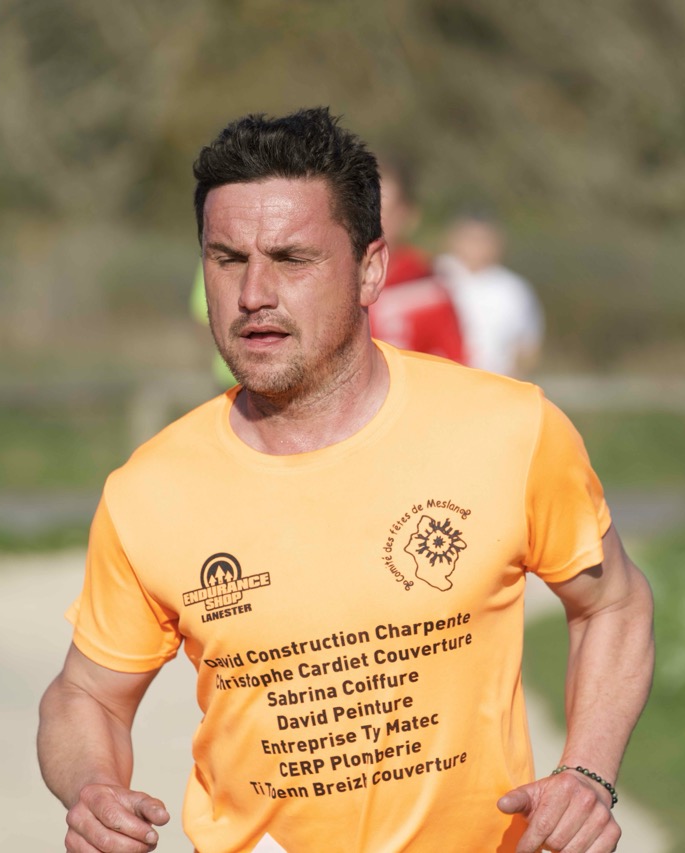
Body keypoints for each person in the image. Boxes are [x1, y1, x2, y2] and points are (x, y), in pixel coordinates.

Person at [38, 108, 654, 853]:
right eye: (227, 259)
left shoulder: (510, 429)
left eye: (292, 258)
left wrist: (586, 774)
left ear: (370, 269)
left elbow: (613, 603)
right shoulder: (149, 490)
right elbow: (87, 695)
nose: (253, 292)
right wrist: (92, 789)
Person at [366, 156, 467, 364]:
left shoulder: (427, 290)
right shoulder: (327, 280)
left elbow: (455, 366)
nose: (368, 219)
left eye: (381, 210)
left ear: (408, 216)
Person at [436, 211, 545, 379]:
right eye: (471, 239)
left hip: (493, 385)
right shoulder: (434, 276)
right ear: (454, 239)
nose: (477, 247)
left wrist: (513, 383)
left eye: (484, 240)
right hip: (440, 381)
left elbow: (528, 346)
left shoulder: (514, 289)